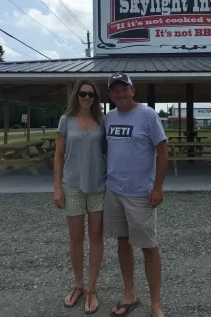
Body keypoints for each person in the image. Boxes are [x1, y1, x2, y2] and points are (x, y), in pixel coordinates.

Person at [103, 72, 168, 317]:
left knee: (149, 247)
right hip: (114, 190)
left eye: (124, 88)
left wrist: (158, 187)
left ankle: (155, 305)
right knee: (122, 242)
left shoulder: (148, 115)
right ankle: (129, 293)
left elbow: (162, 152)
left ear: (133, 90)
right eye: (114, 90)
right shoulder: (108, 118)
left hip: (141, 193)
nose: (120, 94)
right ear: (110, 94)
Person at [53, 79, 106, 314]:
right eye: (83, 94)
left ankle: (92, 289)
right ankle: (78, 286)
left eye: (91, 95)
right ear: (76, 95)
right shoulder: (66, 121)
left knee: (96, 236)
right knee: (76, 237)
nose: (87, 98)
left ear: (95, 98)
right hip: (72, 185)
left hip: (98, 186)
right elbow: (58, 154)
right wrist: (57, 186)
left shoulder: (101, 122)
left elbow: (111, 151)